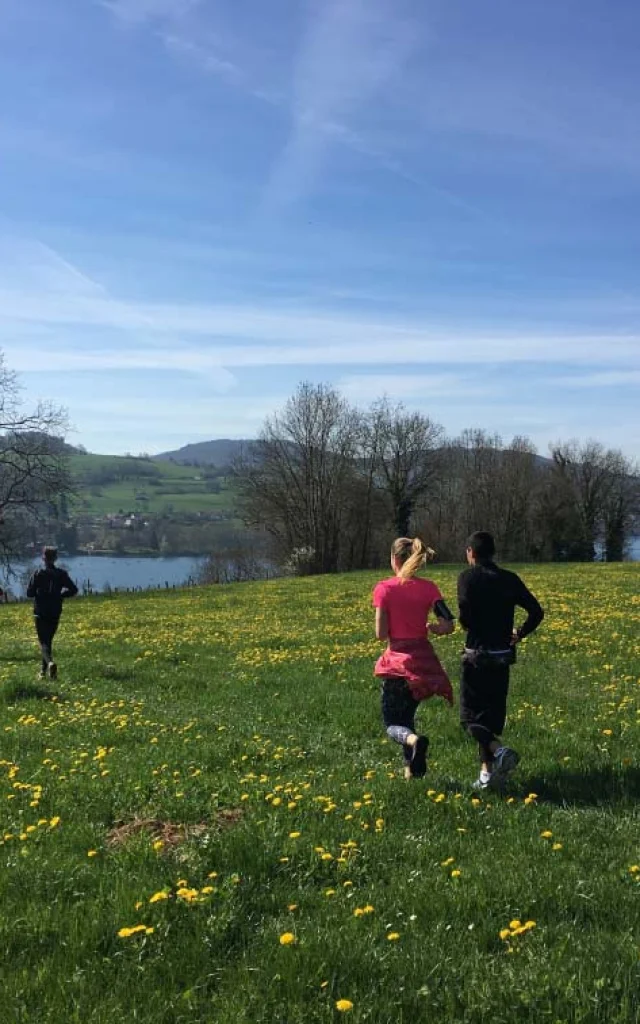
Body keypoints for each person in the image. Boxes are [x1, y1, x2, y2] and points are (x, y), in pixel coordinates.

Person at [457, 531, 544, 790]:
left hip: (476, 656)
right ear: (493, 552)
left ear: (471, 552)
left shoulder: (467, 578)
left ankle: (500, 750)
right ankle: (487, 776)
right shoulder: (509, 579)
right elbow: (536, 612)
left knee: (469, 719)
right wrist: (519, 633)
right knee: (489, 719)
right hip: (502, 657)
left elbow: (465, 618)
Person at [373, 537, 455, 779]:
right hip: (424, 663)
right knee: (406, 716)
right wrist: (433, 628)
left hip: (399, 662)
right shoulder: (430, 588)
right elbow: (448, 624)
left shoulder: (384, 589)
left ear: (395, 560)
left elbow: (380, 634)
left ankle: (413, 740)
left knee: (392, 725)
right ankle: (411, 772)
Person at [26, 547, 78, 680]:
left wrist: (39, 593)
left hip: (41, 611)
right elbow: (74, 589)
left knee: (44, 642)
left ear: (43, 558)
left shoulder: (38, 573)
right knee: (48, 641)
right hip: (55, 610)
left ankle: (49, 664)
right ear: (55, 558)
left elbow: (29, 593)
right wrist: (61, 595)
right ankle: (44, 672)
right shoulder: (61, 574)